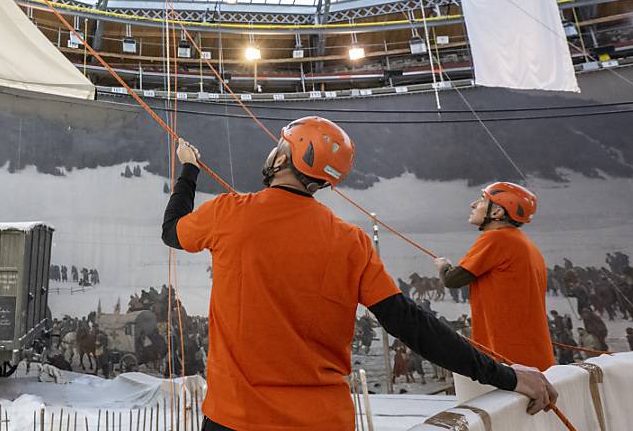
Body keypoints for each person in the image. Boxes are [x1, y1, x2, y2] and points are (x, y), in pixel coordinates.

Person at [162, 117, 557, 431]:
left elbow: (172, 231)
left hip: (237, 419)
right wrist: (504, 376)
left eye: (280, 146)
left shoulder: (229, 212)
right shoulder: (350, 241)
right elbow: (411, 324)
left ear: (283, 159)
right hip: (325, 422)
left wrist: (189, 170)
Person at [433, 181, 554, 398]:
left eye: (481, 200)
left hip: (508, 356)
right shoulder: (525, 244)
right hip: (533, 353)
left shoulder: (496, 238)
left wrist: (443, 266)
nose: (473, 204)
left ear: (497, 211)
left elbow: (453, 279)